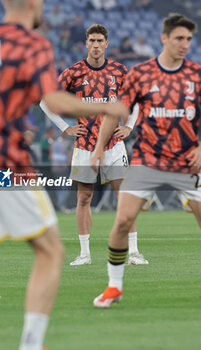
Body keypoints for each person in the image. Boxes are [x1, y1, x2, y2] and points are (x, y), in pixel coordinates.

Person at [0, 1, 128, 349]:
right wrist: (104, 106)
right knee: (50, 250)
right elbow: (53, 100)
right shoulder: (33, 43)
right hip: (2, 162)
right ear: (29, 4)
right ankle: (31, 343)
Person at [91, 13, 201, 308]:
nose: (185, 44)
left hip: (186, 162)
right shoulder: (141, 73)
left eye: (189, 39)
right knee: (123, 220)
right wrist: (99, 148)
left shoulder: (196, 74)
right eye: (179, 38)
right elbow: (115, 112)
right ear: (164, 38)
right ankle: (114, 286)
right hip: (147, 159)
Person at [41, 24, 148, 266]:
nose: (96, 45)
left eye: (100, 41)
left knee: (125, 197)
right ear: (86, 43)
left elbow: (138, 100)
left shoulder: (120, 71)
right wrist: (64, 127)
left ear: (107, 44)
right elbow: (46, 102)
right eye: (92, 41)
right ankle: (84, 254)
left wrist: (130, 126)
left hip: (114, 145)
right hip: (84, 145)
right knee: (84, 198)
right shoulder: (73, 72)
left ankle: (133, 252)